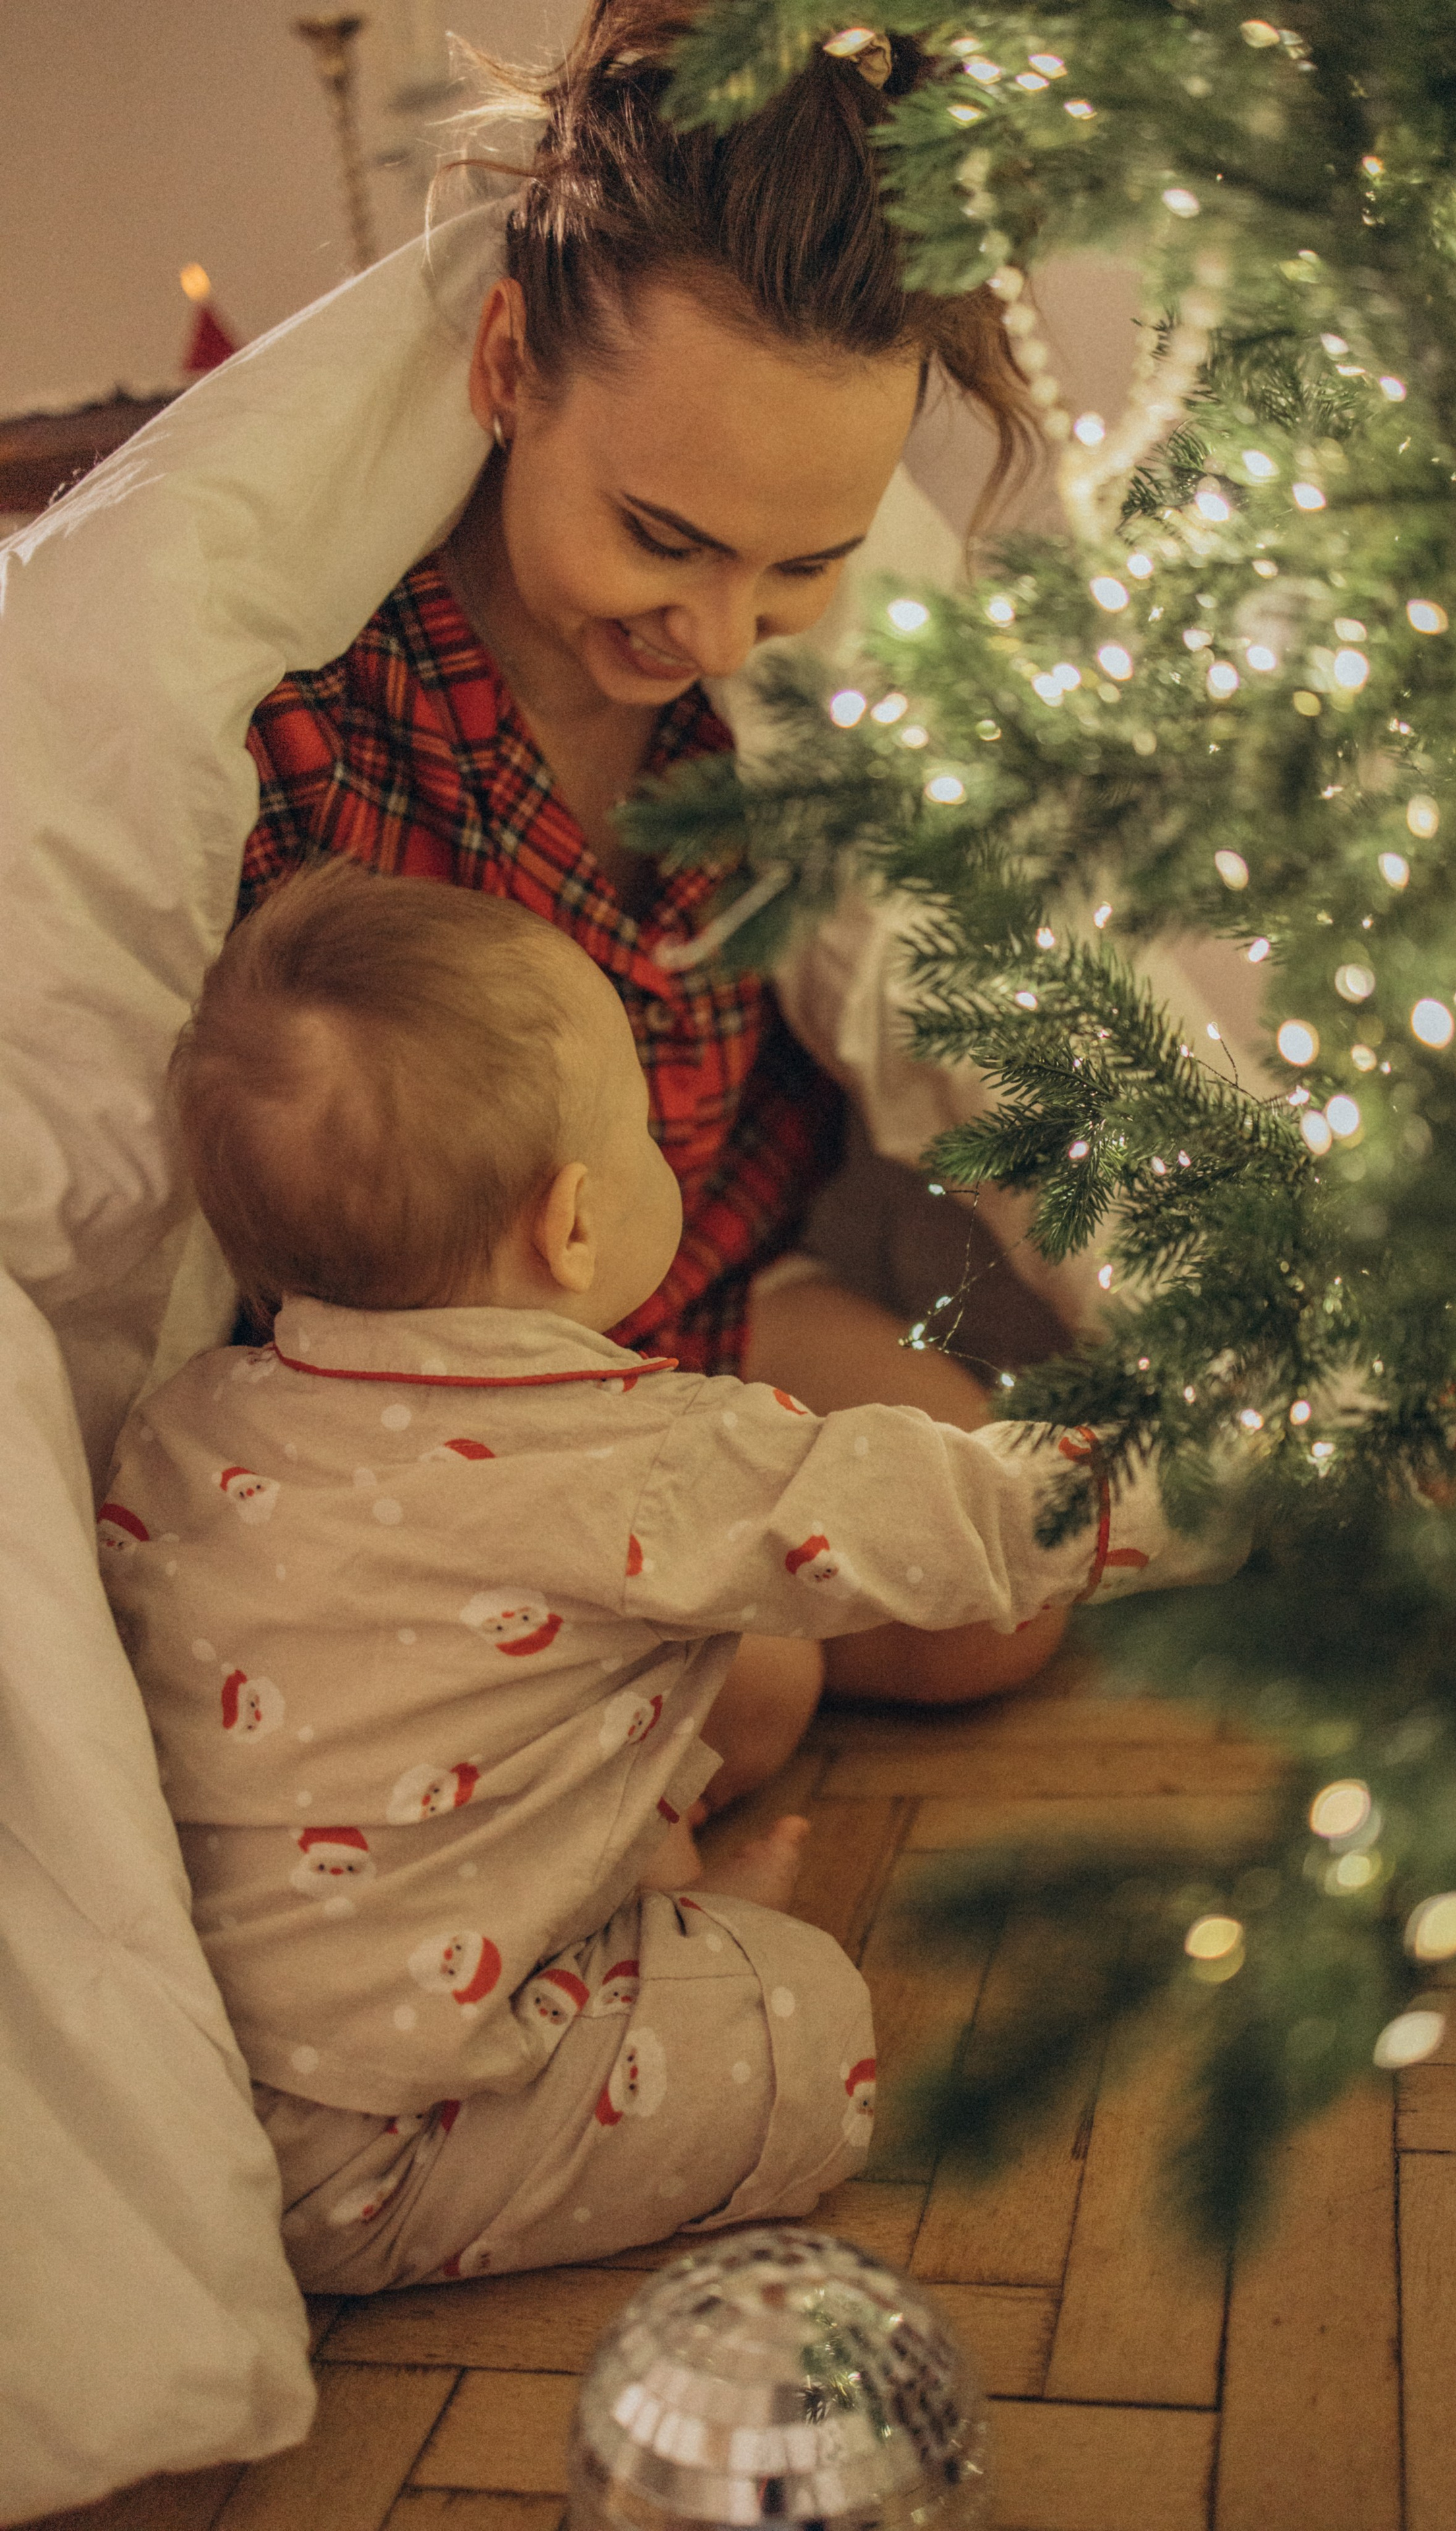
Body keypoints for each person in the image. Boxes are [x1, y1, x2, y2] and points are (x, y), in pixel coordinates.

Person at [98, 862, 1230, 2289]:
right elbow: (977, 1516)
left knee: (569, 1708)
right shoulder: (637, 1460)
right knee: (815, 2024)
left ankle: (643, 1909)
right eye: (638, 1132)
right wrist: (1254, 1461)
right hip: (379, 2159)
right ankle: (686, 1946)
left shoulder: (185, 1421)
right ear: (572, 1224)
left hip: (186, 2086)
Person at [239, 1, 1068, 1738]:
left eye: (798, 567)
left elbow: (967, 972)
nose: (710, 632)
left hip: (701, 1290)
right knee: (751, 1691)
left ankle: (654, 1717)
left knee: (990, 1589)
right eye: (661, 538)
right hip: (427, 1391)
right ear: (504, 373)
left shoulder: (762, 710)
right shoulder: (329, 706)